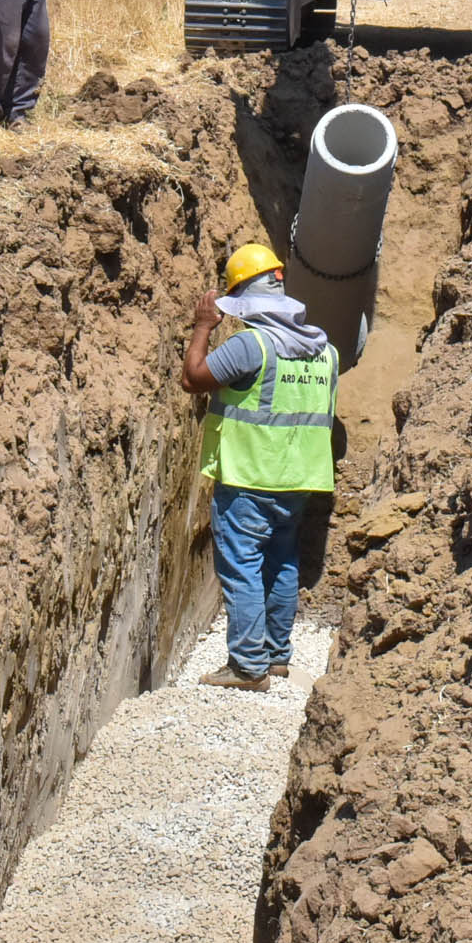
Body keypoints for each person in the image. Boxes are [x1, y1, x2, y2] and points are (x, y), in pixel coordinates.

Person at [178, 242, 337, 691]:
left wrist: (204, 326)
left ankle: (248, 666)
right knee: (282, 561)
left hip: (250, 476)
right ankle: (277, 656)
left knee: (242, 564)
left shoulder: (252, 346)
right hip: (299, 479)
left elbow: (193, 379)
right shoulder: (325, 351)